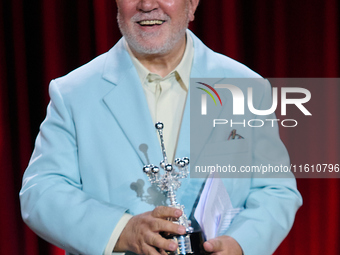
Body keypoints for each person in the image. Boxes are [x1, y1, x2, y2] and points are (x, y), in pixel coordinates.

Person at [20, 0, 302, 255]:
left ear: (192, 4)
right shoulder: (73, 93)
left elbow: (276, 190)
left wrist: (241, 244)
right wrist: (121, 230)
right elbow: (41, 193)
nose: (147, 5)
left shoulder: (245, 86)